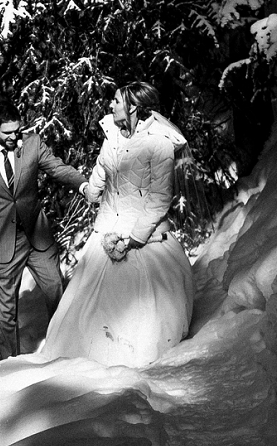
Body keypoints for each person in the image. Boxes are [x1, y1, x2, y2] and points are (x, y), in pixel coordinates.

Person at [39, 82, 194, 366]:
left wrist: (135, 238)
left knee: (138, 312)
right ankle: (78, 361)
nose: (110, 106)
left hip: (142, 238)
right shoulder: (112, 136)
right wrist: (89, 189)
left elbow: (160, 199)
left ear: (133, 106)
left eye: (116, 101)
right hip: (107, 230)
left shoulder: (158, 143)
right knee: (85, 309)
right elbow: (102, 172)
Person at [0, 110, 99, 359]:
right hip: (1, 242)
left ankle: (66, 350)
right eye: (7, 132)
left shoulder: (32, 144)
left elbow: (57, 168)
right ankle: (9, 361)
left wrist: (83, 185)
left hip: (37, 236)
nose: (13, 136)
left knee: (56, 291)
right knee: (6, 308)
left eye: (16, 130)